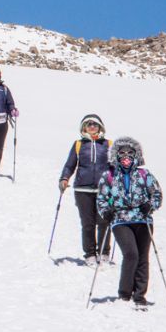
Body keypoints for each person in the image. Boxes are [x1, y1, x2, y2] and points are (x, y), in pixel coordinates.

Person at [97, 137, 163, 308]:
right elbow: (102, 198)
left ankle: (140, 295)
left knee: (142, 257)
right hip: (120, 220)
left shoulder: (144, 174)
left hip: (143, 219)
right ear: (116, 156)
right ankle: (125, 293)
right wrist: (106, 211)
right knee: (131, 254)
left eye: (130, 153)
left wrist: (150, 205)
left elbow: (156, 194)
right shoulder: (109, 175)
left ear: (136, 155)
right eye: (122, 153)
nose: (126, 157)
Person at [59, 113, 112, 265]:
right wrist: (64, 179)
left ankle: (104, 253)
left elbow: (115, 167)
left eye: (95, 124)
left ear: (100, 126)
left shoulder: (108, 144)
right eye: (89, 124)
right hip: (82, 189)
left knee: (104, 222)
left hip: (104, 190)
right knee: (87, 223)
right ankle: (90, 254)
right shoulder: (78, 144)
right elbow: (70, 165)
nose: (92, 127)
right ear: (84, 127)